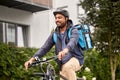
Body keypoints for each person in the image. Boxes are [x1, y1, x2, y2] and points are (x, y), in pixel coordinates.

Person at [24, 9, 84, 80]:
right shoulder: (54, 34)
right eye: (56, 18)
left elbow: (73, 42)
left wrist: (65, 51)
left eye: (60, 18)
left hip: (76, 59)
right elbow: (44, 48)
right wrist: (32, 59)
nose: (57, 20)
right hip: (63, 63)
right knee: (63, 72)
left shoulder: (73, 30)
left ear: (66, 19)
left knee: (68, 67)